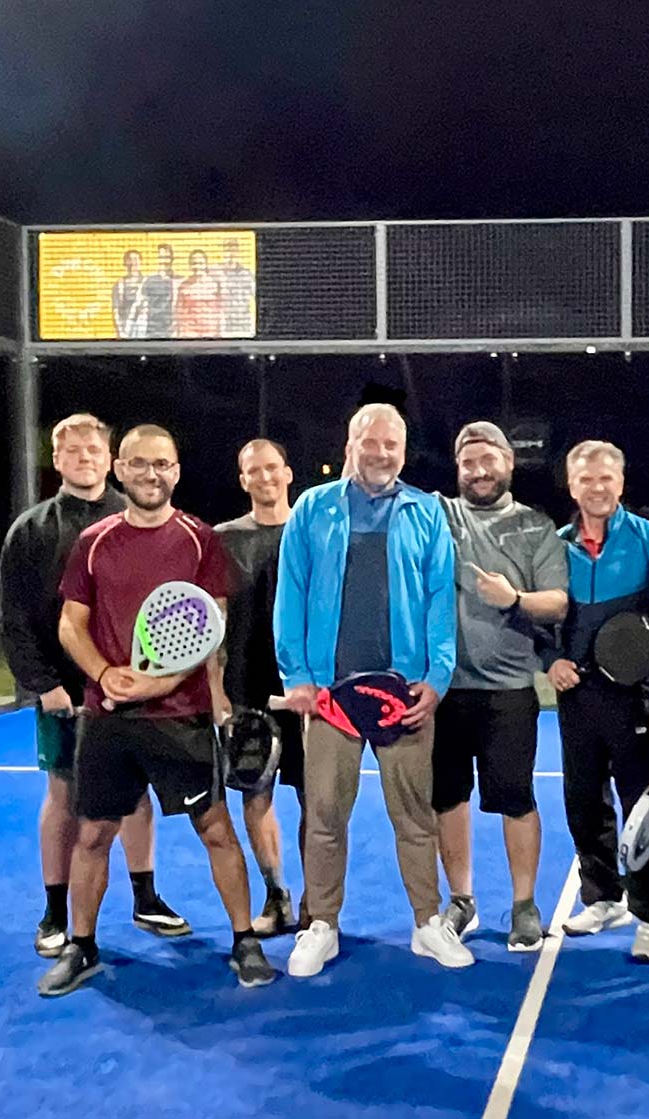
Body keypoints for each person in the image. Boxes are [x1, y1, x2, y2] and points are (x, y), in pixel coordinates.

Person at [37, 424, 276, 996]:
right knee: (93, 834)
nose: (151, 475)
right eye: (140, 464)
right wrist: (103, 674)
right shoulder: (93, 540)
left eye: (163, 465)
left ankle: (244, 941)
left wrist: (149, 685)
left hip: (181, 719)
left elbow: (208, 631)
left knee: (216, 830)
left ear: (176, 471)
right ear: (120, 469)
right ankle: (82, 946)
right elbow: (72, 624)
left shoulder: (200, 540)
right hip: (106, 722)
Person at [274, 403, 472, 974]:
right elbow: (292, 597)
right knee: (325, 816)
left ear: (403, 451)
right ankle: (321, 925)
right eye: (372, 442)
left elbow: (441, 598)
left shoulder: (426, 512)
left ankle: (426, 923)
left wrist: (436, 677)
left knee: (414, 817)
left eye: (392, 444)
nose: (382, 453)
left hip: (403, 695)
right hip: (331, 697)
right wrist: (299, 678)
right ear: (350, 443)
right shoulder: (312, 509)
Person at [0, 412, 189, 960]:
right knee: (63, 796)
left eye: (94, 451)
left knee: (137, 795)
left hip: (133, 692)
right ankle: (56, 912)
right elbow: (12, 618)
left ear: (112, 461)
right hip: (66, 695)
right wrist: (45, 686)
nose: (85, 458)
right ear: (56, 460)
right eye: (73, 451)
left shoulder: (136, 521)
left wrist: (152, 680)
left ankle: (146, 896)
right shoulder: (31, 531)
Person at [434, 422, 570, 952]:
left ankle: (523, 904)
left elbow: (557, 602)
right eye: (468, 462)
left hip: (509, 691)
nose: (479, 470)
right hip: (443, 690)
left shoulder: (536, 527)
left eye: (488, 459)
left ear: (509, 464)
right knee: (447, 799)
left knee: (515, 799)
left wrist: (513, 597)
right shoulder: (437, 515)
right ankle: (461, 900)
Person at [547, 440, 649, 963]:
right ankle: (603, 896)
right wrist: (550, 662)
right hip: (575, 697)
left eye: (606, 478)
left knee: (642, 805)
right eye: (586, 480)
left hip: (631, 702)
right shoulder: (556, 545)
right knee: (583, 802)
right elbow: (543, 619)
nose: (597, 488)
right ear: (572, 485)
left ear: (621, 484)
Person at [215, 438, 303, 937]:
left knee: (319, 804)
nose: (265, 477)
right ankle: (277, 897)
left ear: (287, 473)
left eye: (272, 468)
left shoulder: (311, 532)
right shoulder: (223, 540)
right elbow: (214, 623)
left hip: (311, 693)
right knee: (256, 798)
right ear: (243, 479)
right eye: (254, 471)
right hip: (247, 692)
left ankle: (319, 906)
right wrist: (216, 693)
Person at [175, 249, 224, 338]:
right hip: (190, 332)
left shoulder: (215, 285)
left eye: (200, 263)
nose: (197, 267)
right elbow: (179, 312)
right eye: (194, 263)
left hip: (211, 332)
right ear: (190, 265)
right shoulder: (184, 286)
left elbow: (220, 311)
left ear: (205, 265)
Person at [218, 239, 256, 336]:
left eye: (233, 251)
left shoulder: (247, 274)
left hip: (242, 322)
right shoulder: (216, 273)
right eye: (227, 251)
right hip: (224, 323)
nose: (230, 254)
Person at [142, 244, 178, 339]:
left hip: (174, 332)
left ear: (172, 259)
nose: (165, 261)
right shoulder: (149, 281)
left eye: (167, 257)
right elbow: (142, 305)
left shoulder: (178, 280)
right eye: (162, 257)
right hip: (153, 331)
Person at [111, 250, 147, 338]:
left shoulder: (148, 282)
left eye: (135, 259)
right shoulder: (120, 284)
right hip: (127, 328)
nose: (133, 262)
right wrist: (120, 331)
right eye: (129, 259)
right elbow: (116, 310)